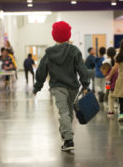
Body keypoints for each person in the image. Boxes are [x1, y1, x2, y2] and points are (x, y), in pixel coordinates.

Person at [33, 21, 89, 151]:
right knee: (67, 112)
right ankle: (68, 139)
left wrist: (37, 87)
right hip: (73, 87)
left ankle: (66, 135)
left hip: (57, 87)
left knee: (65, 113)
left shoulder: (49, 53)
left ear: (54, 35)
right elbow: (82, 69)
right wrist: (85, 84)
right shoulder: (74, 51)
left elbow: (41, 71)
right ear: (68, 35)